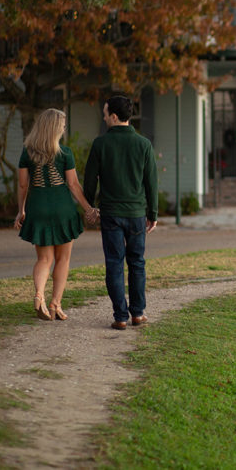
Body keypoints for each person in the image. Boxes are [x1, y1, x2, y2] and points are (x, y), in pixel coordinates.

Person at [84, 95, 158, 330]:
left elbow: (89, 181)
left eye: (105, 114)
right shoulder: (143, 144)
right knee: (137, 263)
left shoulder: (100, 144)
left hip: (111, 214)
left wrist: (89, 206)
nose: (103, 117)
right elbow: (151, 183)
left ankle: (120, 316)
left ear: (114, 117)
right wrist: (153, 214)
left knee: (114, 264)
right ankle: (137, 313)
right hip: (136, 214)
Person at [15, 108, 96, 321]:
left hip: (38, 208)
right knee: (63, 258)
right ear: (54, 128)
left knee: (44, 259)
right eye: (61, 125)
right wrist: (89, 209)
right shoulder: (65, 153)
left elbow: (23, 185)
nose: (63, 128)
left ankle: (39, 295)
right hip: (63, 209)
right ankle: (55, 304)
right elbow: (73, 185)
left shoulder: (27, 153)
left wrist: (21, 211)